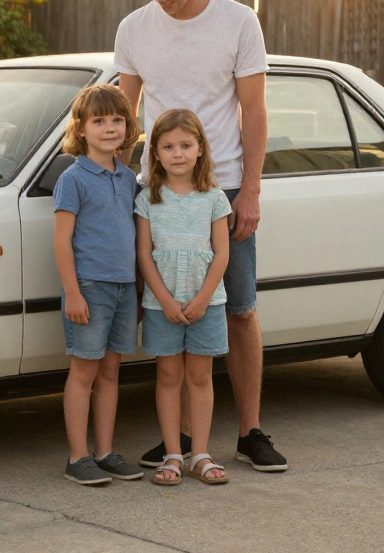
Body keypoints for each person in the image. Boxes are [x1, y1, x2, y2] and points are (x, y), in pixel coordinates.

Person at [116, 0, 288, 472]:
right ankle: (182, 439)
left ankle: (251, 431)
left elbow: (254, 110)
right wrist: (115, 184)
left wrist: (252, 191)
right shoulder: (134, 28)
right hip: (158, 191)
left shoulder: (238, 21)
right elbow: (124, 113)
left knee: (237, 309)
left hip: (225, 184)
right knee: (166, 312)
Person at [52, 84, 144, 486]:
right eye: (99, 121)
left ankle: (105, 452)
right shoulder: (73, 178)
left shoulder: (128, 179)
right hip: (89, 287)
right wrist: (72, 291)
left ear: (128, 127)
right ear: (82, 129)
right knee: (84, 372)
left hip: (125, 287)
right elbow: (61, 240)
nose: (110, 128)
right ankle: (78, 457)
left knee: (111, 371)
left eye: (117, 120)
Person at [136, 109, 231, 486]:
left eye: (185, 145)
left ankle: (201, 453)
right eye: (168, 146)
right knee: (169, 376)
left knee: (200, 378)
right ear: (155, 154)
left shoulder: (214, 197)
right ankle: (173, 454)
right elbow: (144, 254)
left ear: (200, 149)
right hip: (163, 305)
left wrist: (203, 298)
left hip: (207, 302)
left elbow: (222, 253)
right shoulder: (148, 198)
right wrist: (165, 299)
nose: (178, 153)